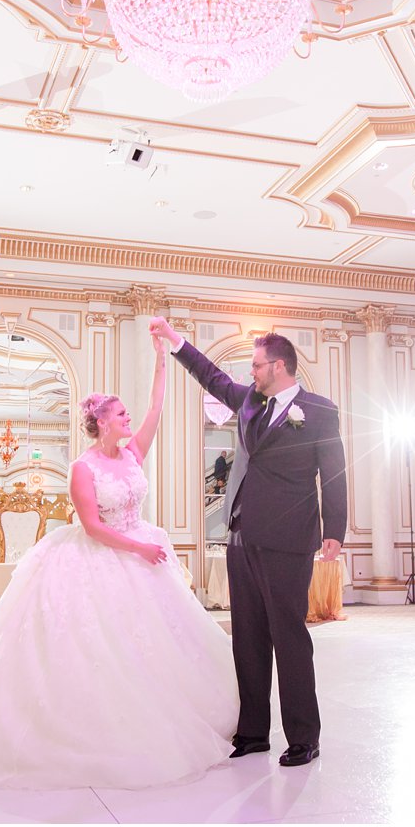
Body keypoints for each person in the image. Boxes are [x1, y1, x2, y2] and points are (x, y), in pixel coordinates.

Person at [0, 335, 237, 789]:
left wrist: (162, 358)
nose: (129, 419)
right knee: (95, 644)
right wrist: (138, 548)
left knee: (156, 643)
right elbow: (93, 526)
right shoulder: (83, 468)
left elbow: (157, 408)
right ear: (101, 421)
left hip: (142, 551)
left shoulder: (133, 452)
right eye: (121, 414)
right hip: (105, 554)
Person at [149, 318, 347, 769]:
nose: (251, 372)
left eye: (257, 365)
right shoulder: (250, 402)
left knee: (289, 636)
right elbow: (211, 375)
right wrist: (175, 340)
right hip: (242, 536)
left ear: (279, 366)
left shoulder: (319, 410)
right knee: (249, 639)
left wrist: (335, 528)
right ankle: (254, 732)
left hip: (289, 538)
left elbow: (333, 472)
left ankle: (303, 737)